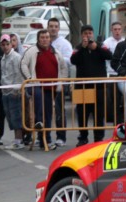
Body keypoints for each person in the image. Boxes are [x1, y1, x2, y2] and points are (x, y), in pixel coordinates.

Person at [20, 29, 68, 150]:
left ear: (50, 39)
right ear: (38, 39)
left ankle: (45, 140)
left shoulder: (56, 52)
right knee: (39, 103)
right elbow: (23, 64)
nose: (45, 40)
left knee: (48, 113)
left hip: (51, 88)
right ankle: (39, 122)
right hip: (35, 85)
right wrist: (29, 78)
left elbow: (63, 67)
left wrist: (61, 81)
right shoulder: (32, 51)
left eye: (47, 37)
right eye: (42, 37)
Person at [70, 24, 112, 146]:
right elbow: (73, 60)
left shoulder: (100, 45)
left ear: (92, 34)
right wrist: (83, 48)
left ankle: (98, 138)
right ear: (81, 35)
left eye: (89, 33)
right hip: (82, 87)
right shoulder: (78, 47)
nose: (87, 35)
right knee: (82, 114)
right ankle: (83, 137)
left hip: (99, 87)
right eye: (85, 33)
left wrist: (96, 48)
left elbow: (109, 56)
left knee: (99, 114)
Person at [48, 17, 73, 147]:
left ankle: (61, 137)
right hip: (45, 81)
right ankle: (44, 137)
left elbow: (70, 60)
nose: (53, 29)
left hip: (59, 81)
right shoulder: (43, 41)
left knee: (59, 109)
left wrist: (56, 58)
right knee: (45, 109)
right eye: (51, 26)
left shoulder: (64, 43)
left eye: (55, 26)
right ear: (47, 28)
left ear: (58, 28)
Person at [0, 34, 24, 150]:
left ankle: (19, 140)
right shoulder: (3, 58)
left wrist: (16, 90)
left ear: (11, 45)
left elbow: (19, 75)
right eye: (3, 44)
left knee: (16, 115)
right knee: (9, 116)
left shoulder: (16, 57)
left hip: (14, 91)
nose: (5, 47)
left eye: (7, 44)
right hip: (5, 91)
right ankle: (16, 139)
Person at [103, 21, 125, 124]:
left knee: (124, 98)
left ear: (122, 30)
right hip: (112, 74)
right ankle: (116, 121)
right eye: (115, 29)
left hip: (124, 74)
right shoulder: (106, 43)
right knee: (114, 99)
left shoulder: (125, 42)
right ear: (111, 30)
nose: (117, 31)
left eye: (119, 29)